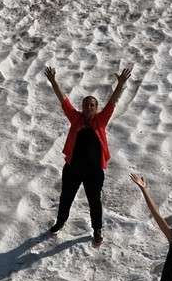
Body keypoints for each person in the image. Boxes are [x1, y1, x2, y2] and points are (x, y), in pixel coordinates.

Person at [43, 65, 133, 247]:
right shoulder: (75, 118)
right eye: (86, 104)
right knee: (66, 197)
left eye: (92, 105)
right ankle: (60, 222)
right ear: (82, 107)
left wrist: (121, 84)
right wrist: (53, 81)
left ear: (96, 108)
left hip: (94, 171)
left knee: (94, 202)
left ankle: (97, 230)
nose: (89, 107)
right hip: (73, 169)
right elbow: (63, 100)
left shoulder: (100, 120)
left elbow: (113, 103)